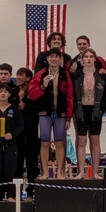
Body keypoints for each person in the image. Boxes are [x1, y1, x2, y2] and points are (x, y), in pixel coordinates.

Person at [29, 47, 75, 180]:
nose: (54, 59)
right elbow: (32, 94)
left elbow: (70, 97)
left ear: (60, 59)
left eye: (56, 56)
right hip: (45, 114)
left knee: (60, 142)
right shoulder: (40, 74)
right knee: (44, 142)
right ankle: (44, 172)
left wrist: (68, 117)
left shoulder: (65, 75)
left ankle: (60, 172)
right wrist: (43, 86)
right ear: (47, 59)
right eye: (51, 57)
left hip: (60, 114)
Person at [72, 48, 106, 179]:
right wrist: (74, 109)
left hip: (95, 110)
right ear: (82, 60)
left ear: (94, 59)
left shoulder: (102, 75)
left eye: (90, 56)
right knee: (81, 141)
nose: (88, 59)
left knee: (95, 141)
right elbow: (72, 94)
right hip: (81, 110)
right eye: (85, 57)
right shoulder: (76, 75)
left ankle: (95, 172)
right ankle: (81, 171)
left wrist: (101, 109)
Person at [15, 67, 40, 200]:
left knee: (32, 166)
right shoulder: (14, 92)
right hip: (18, 136)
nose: (18, 77)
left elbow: (36, 112)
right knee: (17, 165)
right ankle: (17, 193)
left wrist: (25, 103)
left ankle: (31, 193)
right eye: (17, 75)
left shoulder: (34, 93)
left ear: (28, 78)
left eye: (21, 75)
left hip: (32, 135)